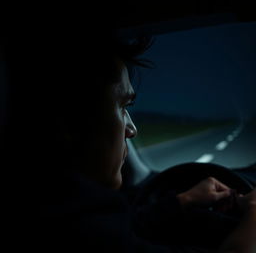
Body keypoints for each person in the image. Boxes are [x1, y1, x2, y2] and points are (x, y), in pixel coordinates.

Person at [2, 28, 255, 252]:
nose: (131, 129)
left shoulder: (51, 210)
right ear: (66, 122)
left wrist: (183, 201)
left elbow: (122, 231)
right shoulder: (77, 225)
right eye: (122, 106)